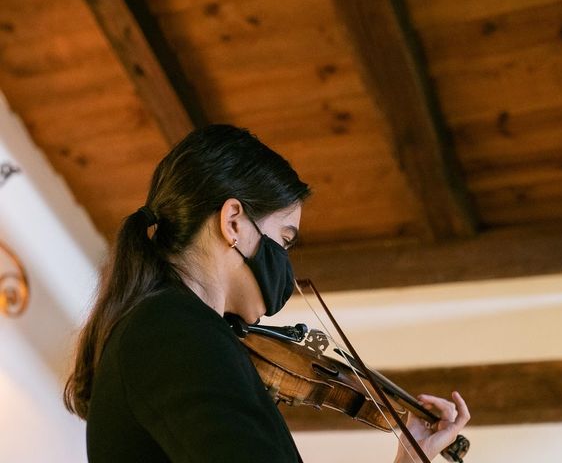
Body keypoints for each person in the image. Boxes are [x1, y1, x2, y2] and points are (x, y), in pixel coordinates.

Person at [64, 124, 470, 462]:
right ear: (234, 222)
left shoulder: (170, 328)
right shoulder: (174, 331)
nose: (286, 262)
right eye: (285, 238)